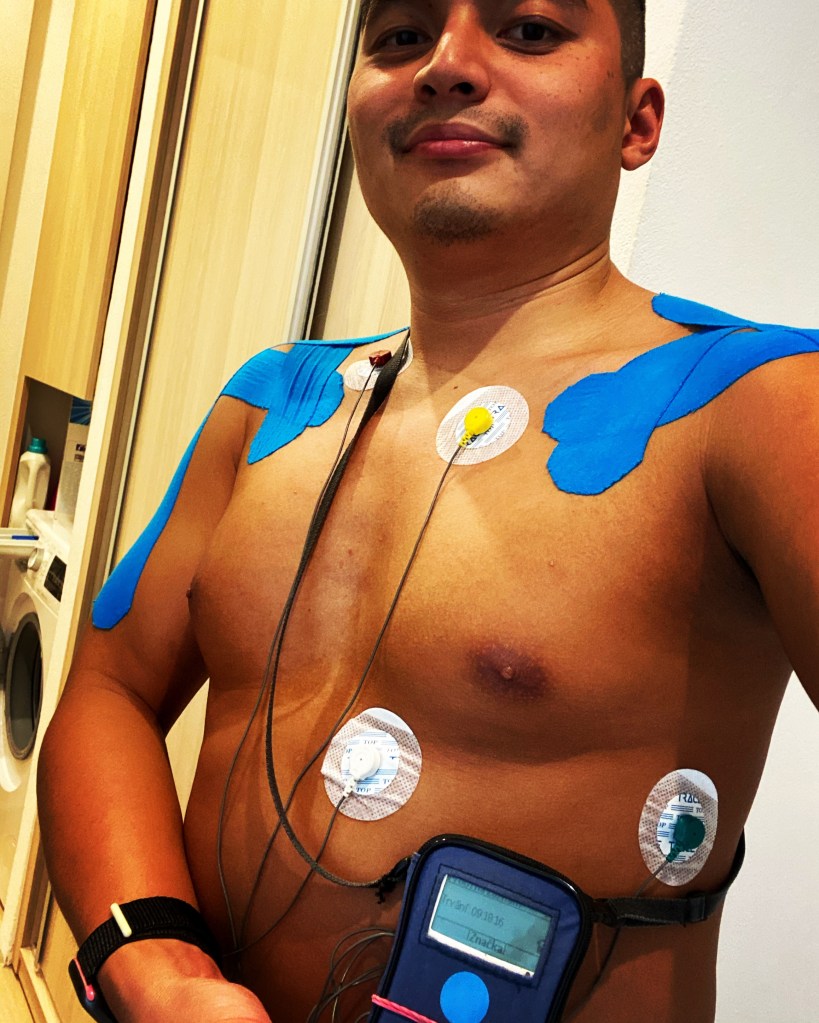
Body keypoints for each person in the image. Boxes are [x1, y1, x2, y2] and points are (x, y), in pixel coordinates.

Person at [36, 1, 819, 1021]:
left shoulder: (759, 406)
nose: (445, 66)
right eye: (400, 36)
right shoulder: (271, 401)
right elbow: (110, 692)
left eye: (528, 30)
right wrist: (155, 966)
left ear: (636, 122)